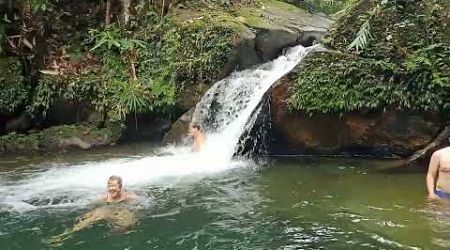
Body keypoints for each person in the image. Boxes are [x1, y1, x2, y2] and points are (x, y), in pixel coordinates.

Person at [48, 176, 137, 246]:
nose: (111, 188)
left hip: (121, 208)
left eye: (114, 186)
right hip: (106, 209)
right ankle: (63, 236)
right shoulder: (104, 197)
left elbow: (139, 204)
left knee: (127, 223)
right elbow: (89, 204)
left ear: (120, 187)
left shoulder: (127, 196)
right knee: (86, 221)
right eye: (109, 186)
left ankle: (118, 237)